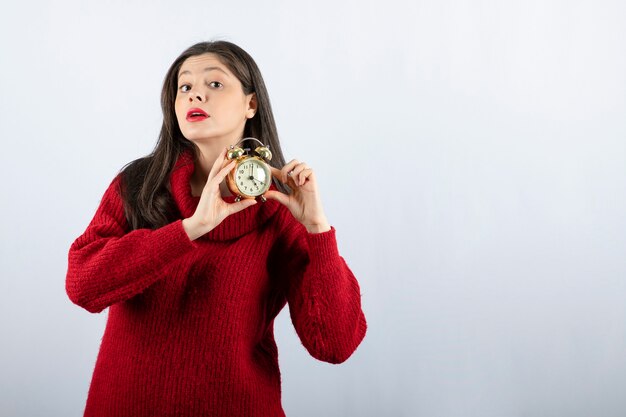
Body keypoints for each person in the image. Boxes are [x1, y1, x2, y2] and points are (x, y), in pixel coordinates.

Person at [65, 40, 367, 417]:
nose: (195, 96)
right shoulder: (138, 186)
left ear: (251, 104)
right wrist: (190, 229)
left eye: (215, 84)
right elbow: (82, 286)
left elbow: (335, 344)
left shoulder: (282, 205)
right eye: (185, 87)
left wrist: (318, 230)